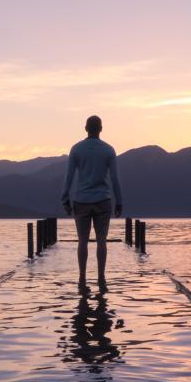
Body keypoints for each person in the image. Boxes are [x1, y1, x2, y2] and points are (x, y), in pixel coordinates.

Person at [61, 115, 123, 288]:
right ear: (101, 129)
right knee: (101, 240)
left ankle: (82, 278)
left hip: (81, 200)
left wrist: (65, 198)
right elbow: (115, 179)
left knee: (82, 240)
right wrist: (119, 202)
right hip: (103, 199)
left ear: (85, 128)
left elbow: (69, 177)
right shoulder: (108, 150)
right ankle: (101, 278)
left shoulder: (76, 149)